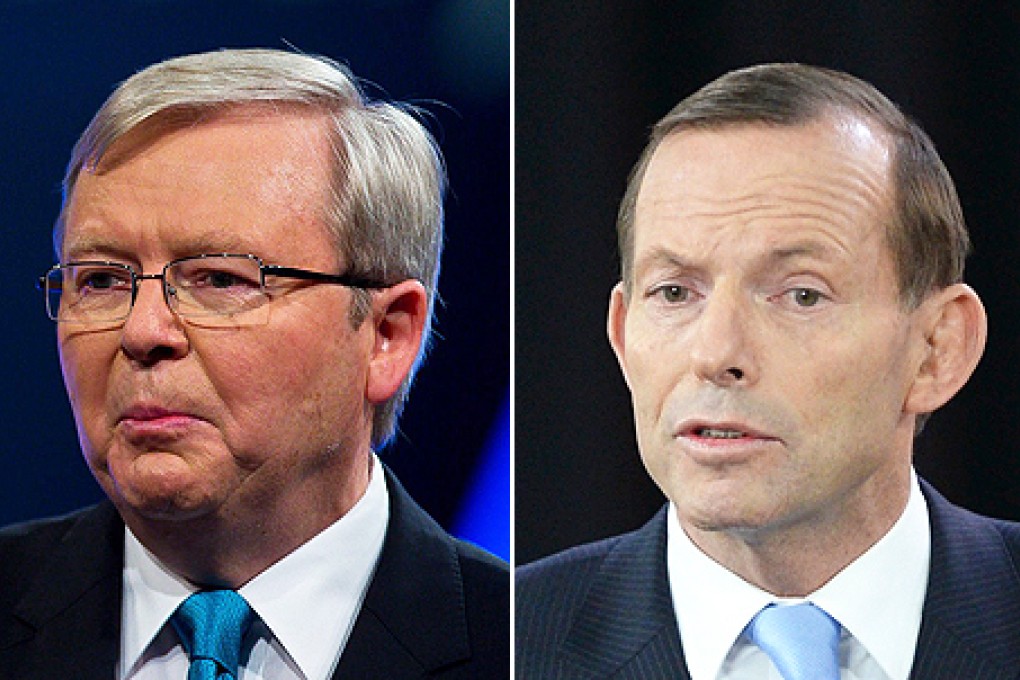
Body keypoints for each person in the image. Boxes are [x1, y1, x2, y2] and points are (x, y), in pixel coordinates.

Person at [0, 48, 508, 679]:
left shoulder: (525, 643)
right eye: (101, 280)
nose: (143, 331)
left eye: (219, 278)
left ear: (386, 336)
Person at [516, 63, 1020, 679]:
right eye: (674, 293)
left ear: (938, 350)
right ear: (622, 338)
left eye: (801, 295)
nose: (716, 354)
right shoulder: (511, 639)